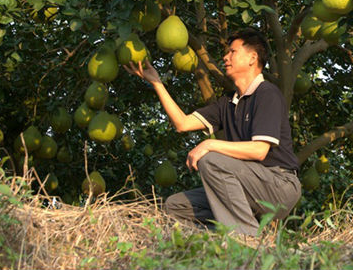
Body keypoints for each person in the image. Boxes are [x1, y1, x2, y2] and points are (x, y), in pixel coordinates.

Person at [125, 28, 301, 237]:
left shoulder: (267, 94)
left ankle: (248, 241)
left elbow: (259, 150)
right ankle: (220, 238)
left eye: (233, 52)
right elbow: (182, 123)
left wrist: (209, 144)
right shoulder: (227, 102)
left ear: (253, 58)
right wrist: (156, 82)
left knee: (212, 160)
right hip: (246, 184)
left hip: (279, 185)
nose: (225, 57)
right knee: (175, 206)